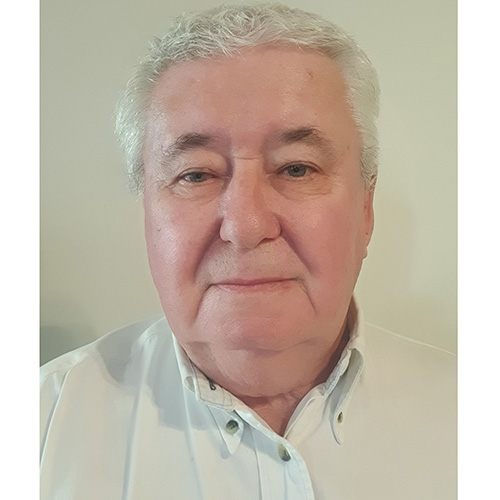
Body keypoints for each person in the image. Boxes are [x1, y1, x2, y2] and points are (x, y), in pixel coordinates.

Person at [40, 3, 456, 499]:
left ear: (365, 209)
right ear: (146, 214)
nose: (246, 226)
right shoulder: (40, 426)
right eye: (196, 174)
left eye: (297, 168)